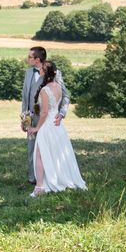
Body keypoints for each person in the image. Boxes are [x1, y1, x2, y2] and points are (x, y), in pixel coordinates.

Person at [26, 60, 87, 196]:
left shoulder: (44, 90)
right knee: (57, 153)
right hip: (57, 125)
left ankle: (40, 187)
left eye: (41, 69)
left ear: (45, 72)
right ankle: (59, 178)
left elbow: (45, 112)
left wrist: (36, 128)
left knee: (40, 155)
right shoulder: (58, 87)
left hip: (48, 124)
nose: (39, 71)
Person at [20, 46, 69, 184]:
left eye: (30, 57)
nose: (27, 59)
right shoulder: (28, 72)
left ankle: (50, 178)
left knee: (48, 148)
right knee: (31, 148)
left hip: (47, 119)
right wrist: (24, 119)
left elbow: (65, 96)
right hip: (31, 118)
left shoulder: (55, 73)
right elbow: (25, 97)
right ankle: (33, 178)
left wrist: (62, 113)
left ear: (37, 59)